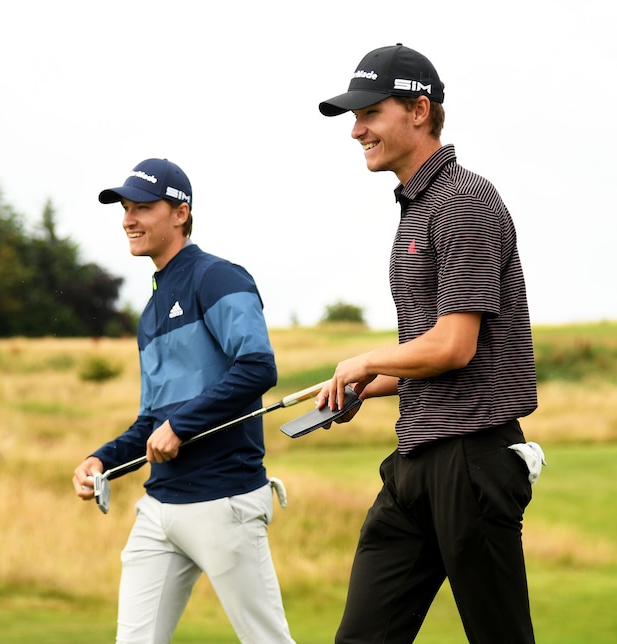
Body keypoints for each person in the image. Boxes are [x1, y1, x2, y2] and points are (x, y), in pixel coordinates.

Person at [315, 44, 541, 643]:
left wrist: (365, 358)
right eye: (352, 117)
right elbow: (427, 354)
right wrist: (366, 381)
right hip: (416, 462)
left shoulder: (464, 201)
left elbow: (454, 347)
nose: (356, 129)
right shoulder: (416, 208)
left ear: (420, 110)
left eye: (369, 112)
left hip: (472, 461)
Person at [72, 158, 295, 644]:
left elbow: (258, 367)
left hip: (225, 501)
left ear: (180, 213)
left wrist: (182, 427)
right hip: (161, 508)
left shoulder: (217, 277)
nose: (129, 219)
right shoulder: (151, 312)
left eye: (143, 207)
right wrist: (101, 460)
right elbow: (153, 420)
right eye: (126, 208)